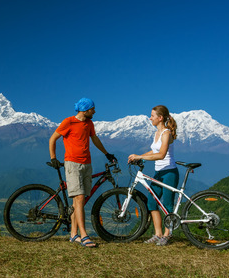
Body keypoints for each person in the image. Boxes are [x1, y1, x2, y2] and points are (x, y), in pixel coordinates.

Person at [49, 98, 116, 248]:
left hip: (87, 164)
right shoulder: (69, 122)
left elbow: (95, 139)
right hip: (73, 164)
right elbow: (53, 139)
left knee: (78, 201)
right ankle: (84, 235)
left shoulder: (89, 124)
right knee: (79, 198)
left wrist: (107, 153)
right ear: (85, 110)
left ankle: (73, 235)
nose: (95, 111)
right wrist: (53, 158)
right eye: (93, 109)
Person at [128, 105, 179, 246]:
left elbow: (161, 155)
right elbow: (153, 151)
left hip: (169, 172)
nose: (150, 118)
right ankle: (158, 234)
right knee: (152, 202)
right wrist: (138, 157)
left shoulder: (166, 133)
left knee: (167, 204)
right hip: (159, 172)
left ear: (160, 118)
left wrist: (140, 156)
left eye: (152, 115)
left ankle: (167, 235)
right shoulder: (156, 133)